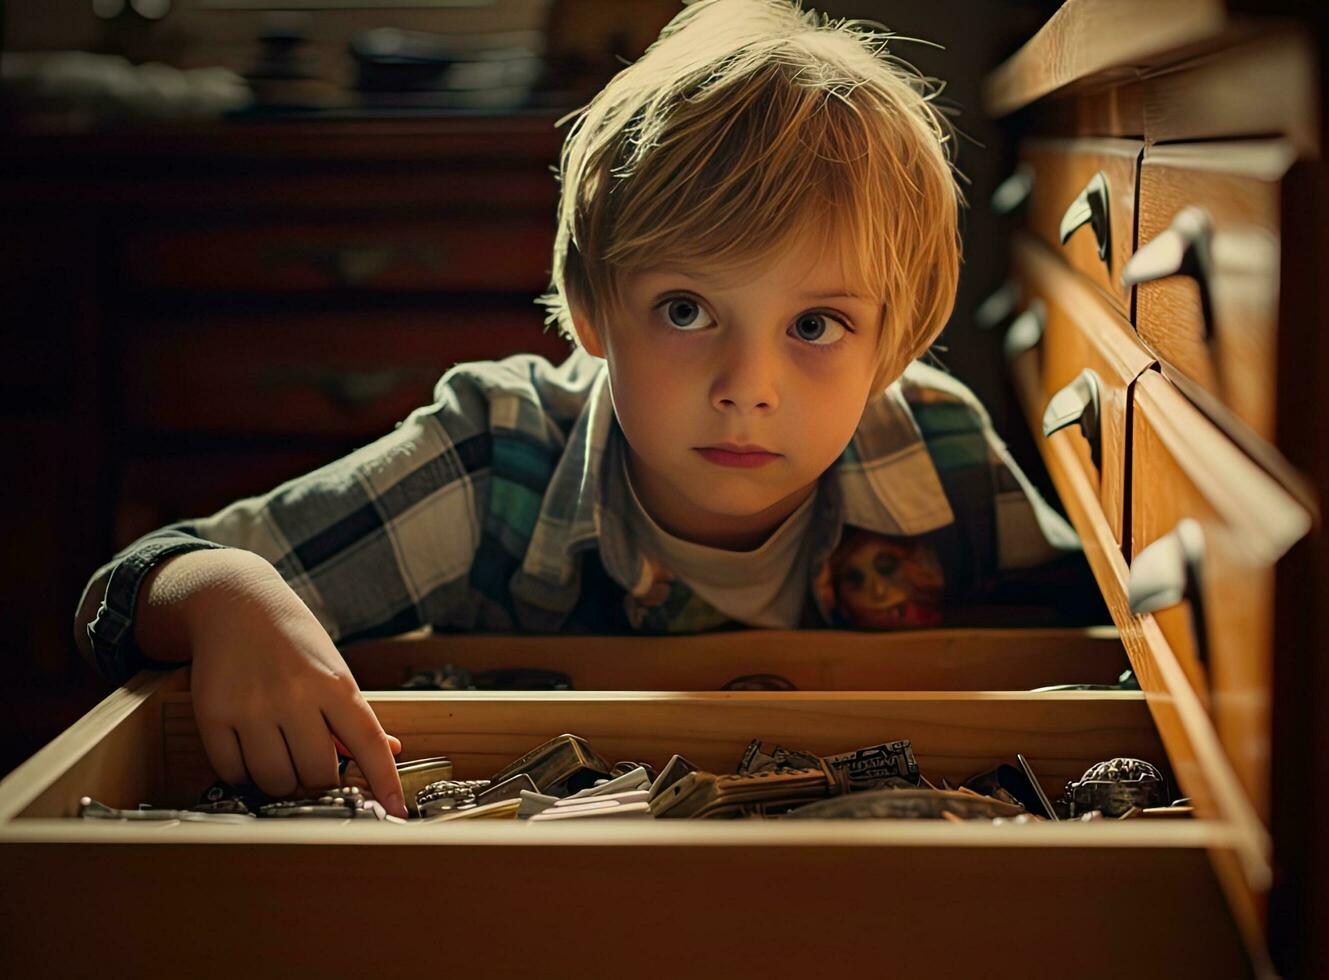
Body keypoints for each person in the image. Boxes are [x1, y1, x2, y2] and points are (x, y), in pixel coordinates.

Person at [72, 0, 1085, 818]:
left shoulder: (942, 450)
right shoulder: (491, 459)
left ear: (892, 345)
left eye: (816, 323)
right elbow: (131, 589)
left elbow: (1092, 674)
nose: (748, 384)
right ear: (596, 310)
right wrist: (229, 592)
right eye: (687, 309)